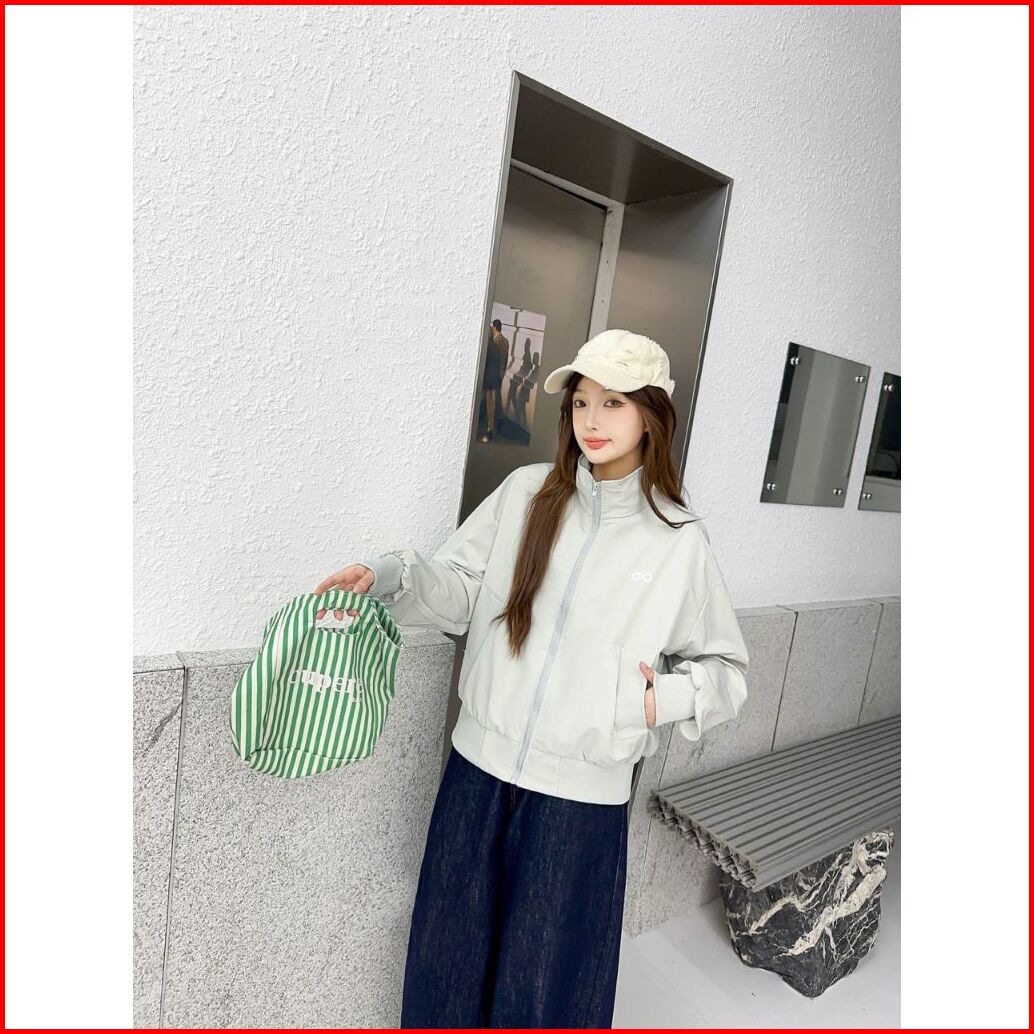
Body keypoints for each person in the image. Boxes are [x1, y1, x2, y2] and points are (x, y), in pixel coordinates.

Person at [313, 328, 750, 1028]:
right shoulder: (525, 493)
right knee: (447, 965)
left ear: (651, 415)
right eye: (580, 402)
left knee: (541, 989)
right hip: (477, 773)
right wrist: (389, 576)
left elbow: (726, 671)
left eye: (613, 402)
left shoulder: (678, 540)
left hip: (578, 803)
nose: (591, 420)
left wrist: (653, 699)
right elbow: (459, 588)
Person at [479, 319, 509, 441]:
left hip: (492, 372)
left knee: (491, 398)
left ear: (495, 327)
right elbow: (506, 359)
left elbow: (491, 359)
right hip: (500, 372)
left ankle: (490, 421)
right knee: (496, 397)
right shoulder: (506, 341)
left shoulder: (495, 341)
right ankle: (496, 420)